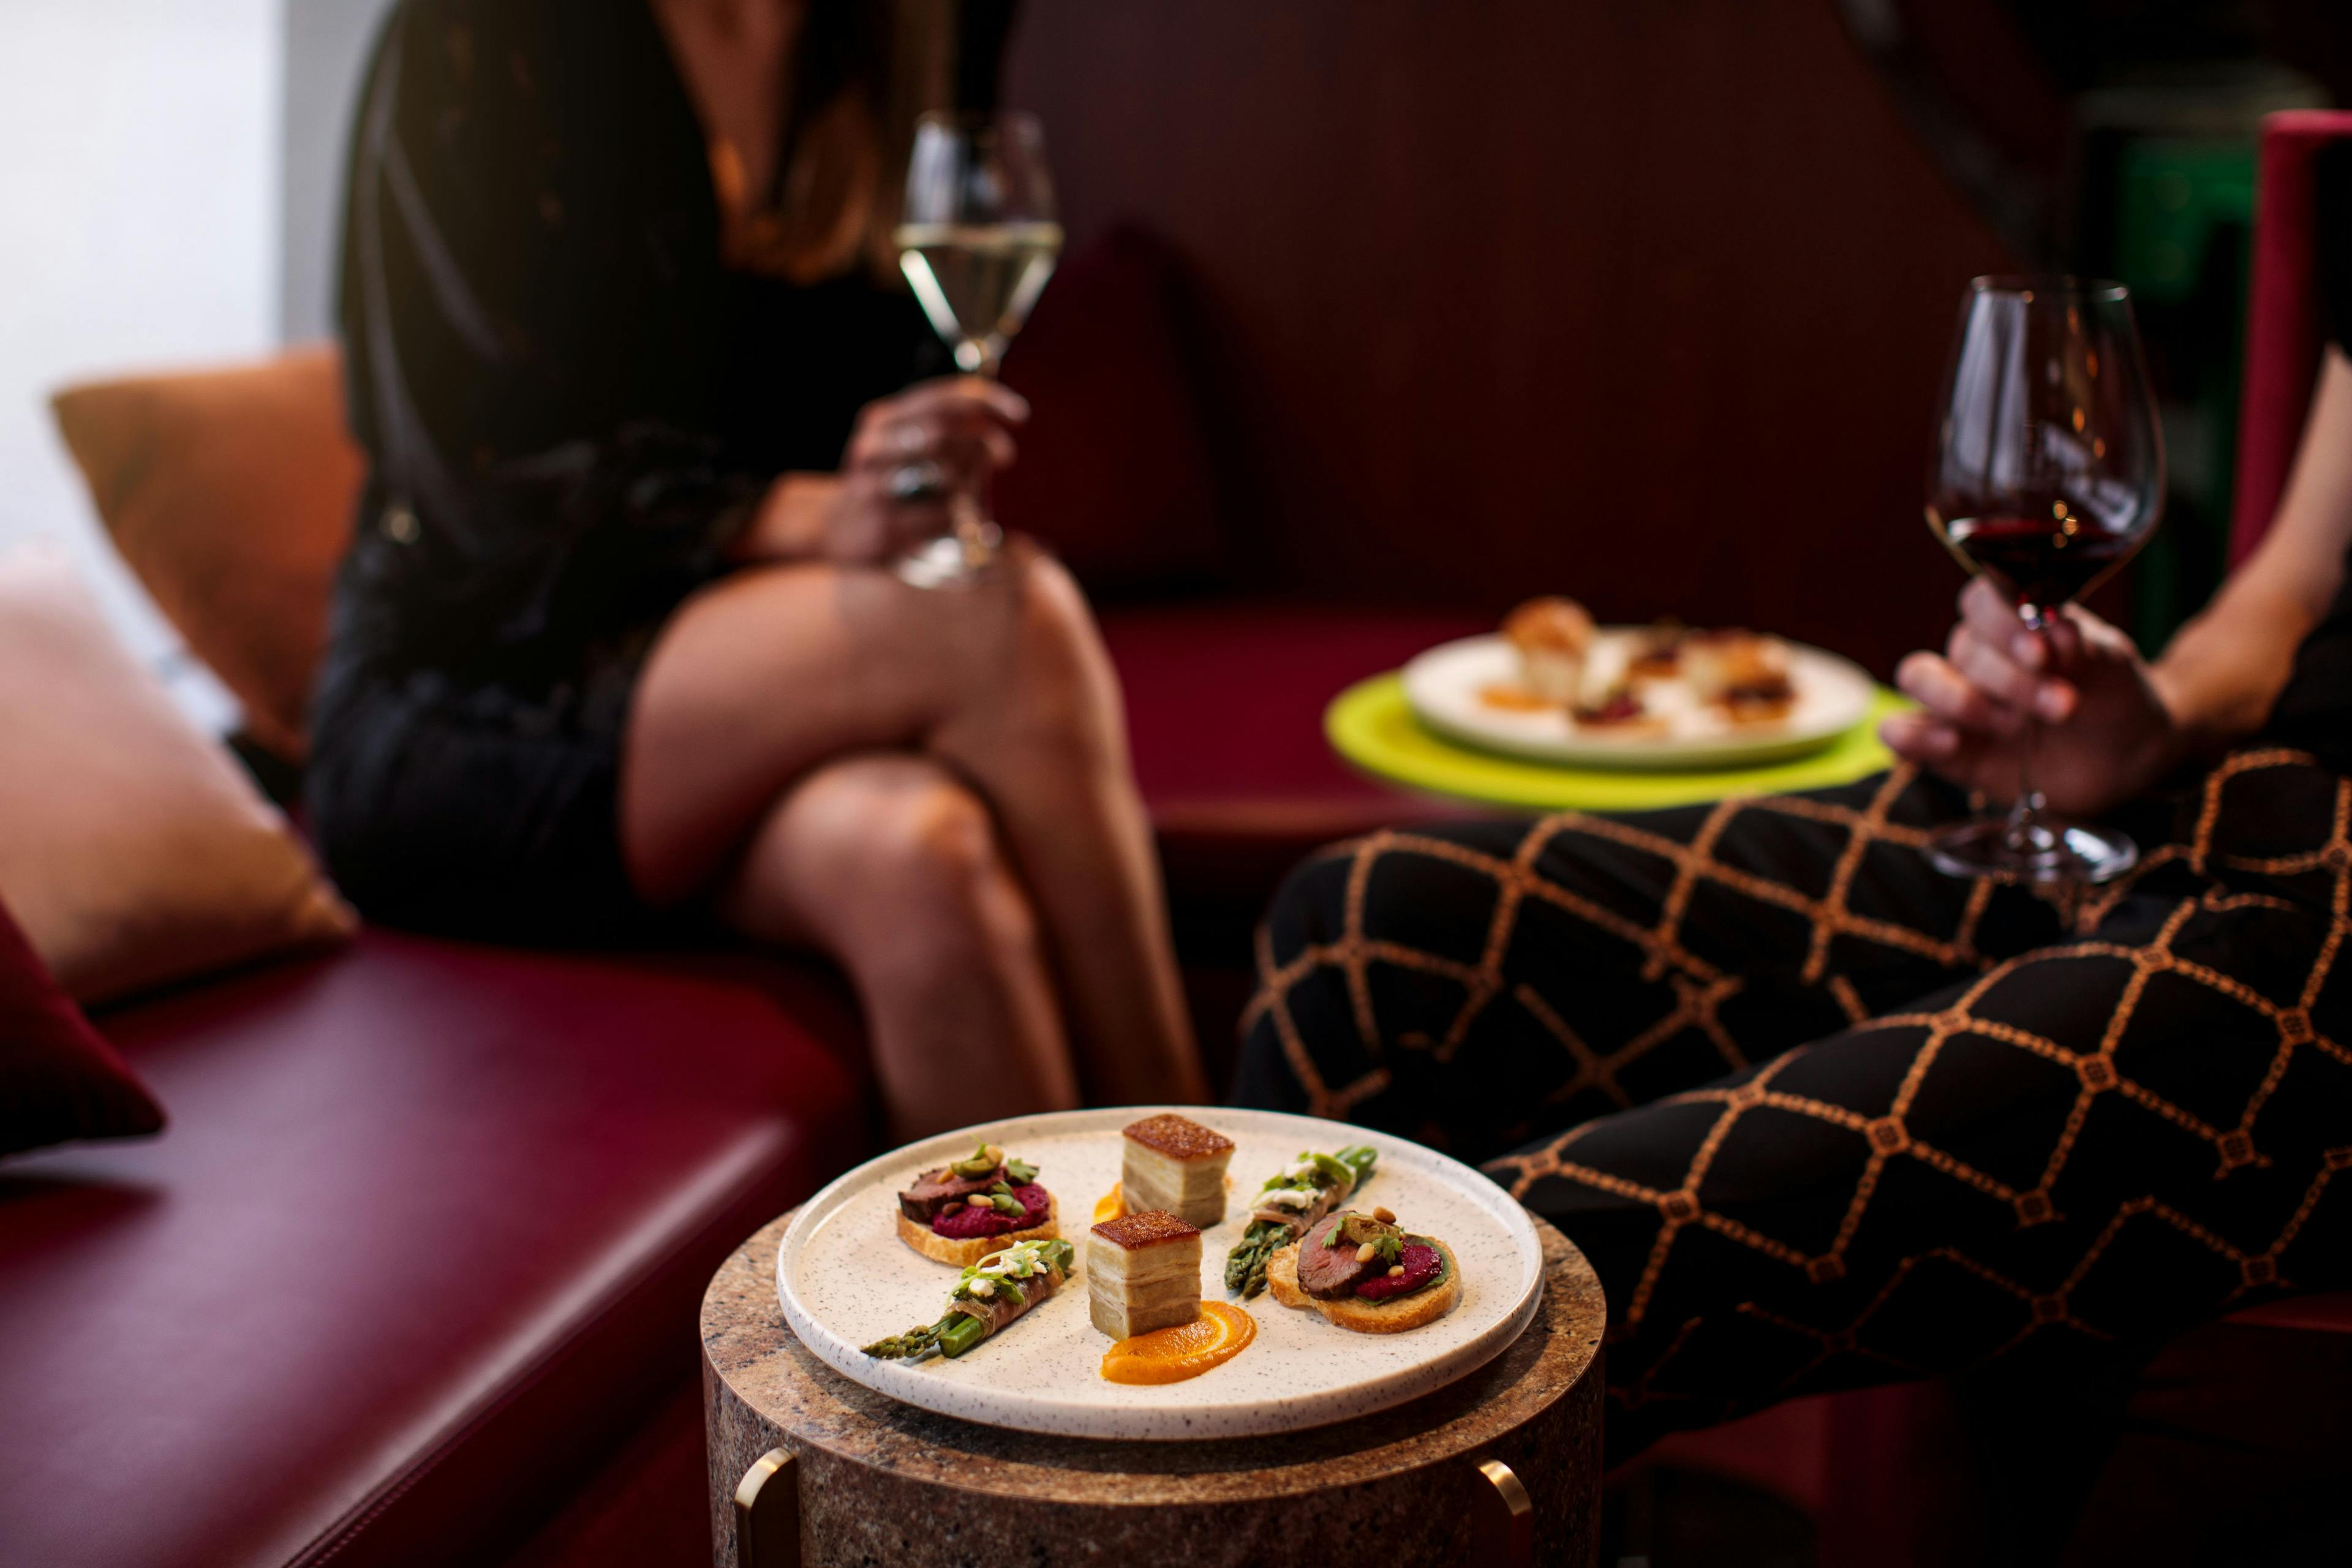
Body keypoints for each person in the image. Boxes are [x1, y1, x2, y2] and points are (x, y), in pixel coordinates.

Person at [1237, 160, 2352, 1524]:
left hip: (2335, 947)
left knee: (1472, 1272)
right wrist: (2156, 712)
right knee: (1369, 925)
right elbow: (2296, 596)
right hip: (2232, 809)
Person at [306, 0, 1205, 1136]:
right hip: (472, 685)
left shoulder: (913, 26)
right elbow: (466, 476)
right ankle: (1217, 1207)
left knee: (922, 864)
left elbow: (901, 381)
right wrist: (807, 516)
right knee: (1005, 616)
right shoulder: (483, 33)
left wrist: (902, 483)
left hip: (753, 667)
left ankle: (1082, 1309)